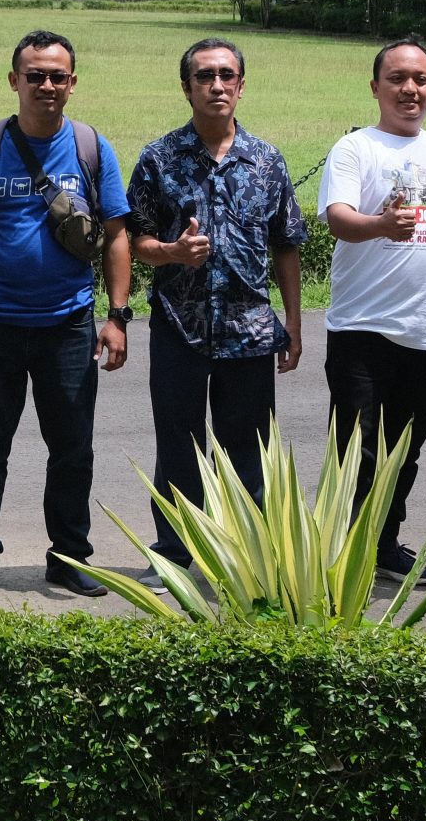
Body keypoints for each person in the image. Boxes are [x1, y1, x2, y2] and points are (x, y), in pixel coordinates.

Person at [0, 30, 133, 599]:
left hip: (68, 324)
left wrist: (117, 316)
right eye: (35, 76)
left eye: (57, 76)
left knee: (73, 449)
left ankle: (69, 556)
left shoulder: (91, 148)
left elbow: (116, 234)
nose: (46, 85)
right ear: (14, 81)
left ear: (72, 83)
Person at [128, 36, 307, 576]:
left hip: (249, 329)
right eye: (204, 76)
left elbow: (287, 245)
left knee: (249, 451)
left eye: (227, 75)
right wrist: (173, 252)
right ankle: (176, 554)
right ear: (187, 88)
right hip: (179, 327)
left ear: (241, 86)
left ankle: (247, 558)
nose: (216, 85)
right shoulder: (159, 159)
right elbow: (135, 240)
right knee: (178, 446)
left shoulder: (266, 160)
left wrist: (293, 323)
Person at [319, 37, 426, 583]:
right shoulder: (356, 148)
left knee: (405, 448)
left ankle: (383, 544)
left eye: (421, 80)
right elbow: (338, 219)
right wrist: (380, 224)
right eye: (397, 79)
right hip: (362, 327)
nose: (410, 89)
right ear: (375, 87)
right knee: (354, 449)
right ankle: (337, 549)